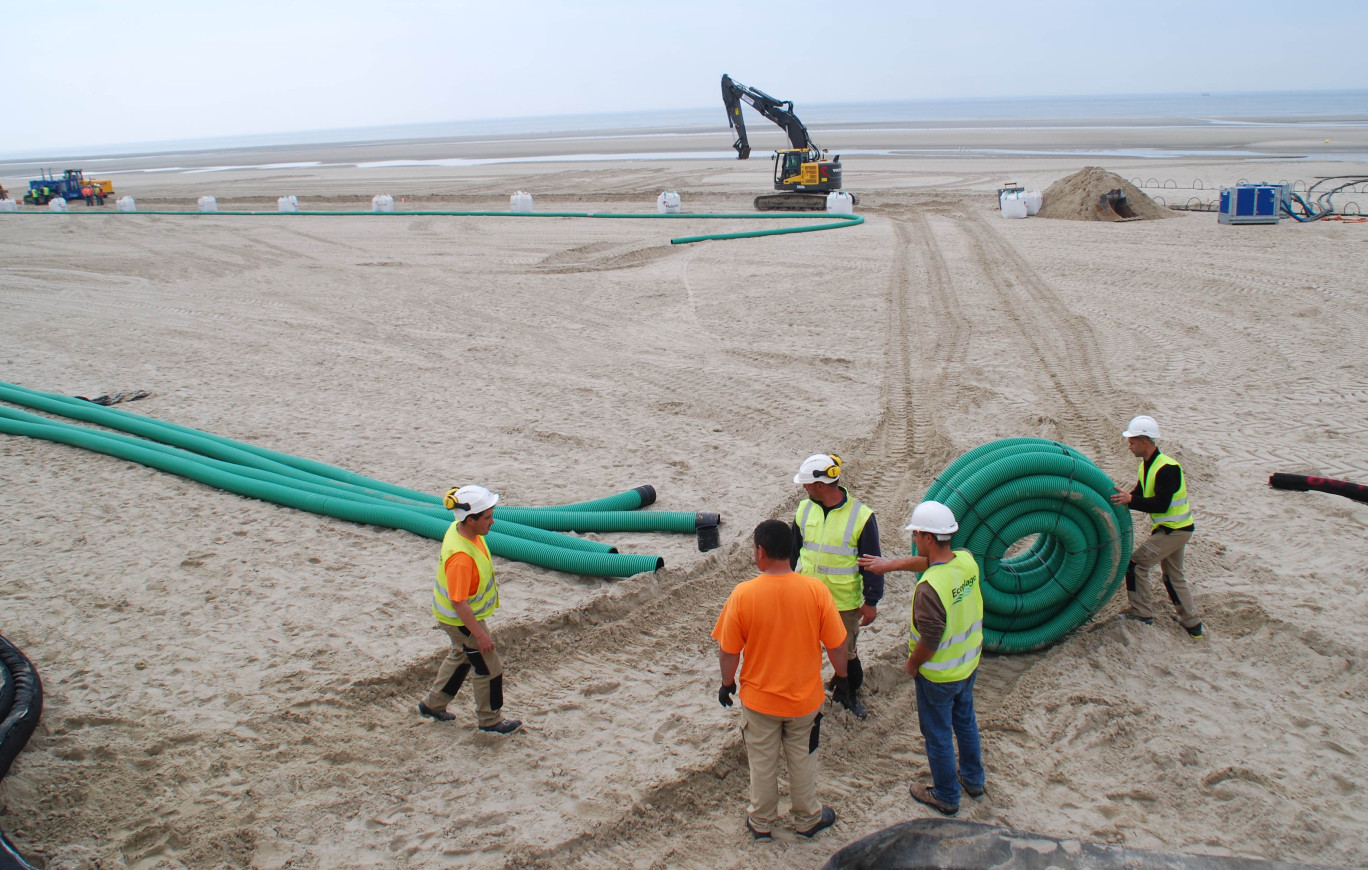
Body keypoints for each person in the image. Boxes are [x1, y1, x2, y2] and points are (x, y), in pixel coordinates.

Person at [712, 519, 849, 841]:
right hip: (804, 701)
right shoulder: (815, 590)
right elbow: (837, 644)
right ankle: (807, 819)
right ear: (791, 550)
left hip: (760, 703)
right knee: (803, 759)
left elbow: (728, 650)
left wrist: (727, 683)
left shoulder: (743, 594)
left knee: (762, 762)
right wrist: (841, 677)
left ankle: (761, 822)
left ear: (761, 552)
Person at [863, 501, 985, 817]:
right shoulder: (966, 562)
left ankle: (946, 795)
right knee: (965, 721)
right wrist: (889, 565)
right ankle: (973, 779)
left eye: (916, 534)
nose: (914, 539)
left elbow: (930, 637)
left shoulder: (929, 589)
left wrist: (913, 664)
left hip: (939, 675)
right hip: (967, 664)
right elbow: (930, 563)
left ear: (928, 537)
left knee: (938, 735)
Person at [417, 484, 523, 734]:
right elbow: (458, 602)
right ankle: (490, 721)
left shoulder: (460, 529)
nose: (492, 521)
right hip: (460, 619)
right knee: (489, 667)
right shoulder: (461, 559)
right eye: (487, 517)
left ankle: (433, 705)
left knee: (462, 655)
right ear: (470, 518)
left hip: (456, 617)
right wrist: (480, 634)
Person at [790, 453, 883, 719]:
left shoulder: (861, 516)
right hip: (807, 597)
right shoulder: (803, 509)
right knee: (804, 648)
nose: (804, 489)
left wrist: (871, 601)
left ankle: (847, 692)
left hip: (843, 601)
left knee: (844, 650)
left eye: (807, 484)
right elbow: (792, 551)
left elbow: (871, 562)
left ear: (820, 485)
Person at [1110, 415, 1203, 638]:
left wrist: (1131, 500)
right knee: (1173, 576)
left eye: (1132, 441)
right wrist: (1120, 500)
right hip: (1172, 529)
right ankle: (1193, 625)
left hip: (1174, 531)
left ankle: (1142, 615)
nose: (1129, 446)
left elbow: (1161, 504)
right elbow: (1138, 496)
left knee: (1136, 564)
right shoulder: (1146, 467)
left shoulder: (1168, 468)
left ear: (1145, 441)